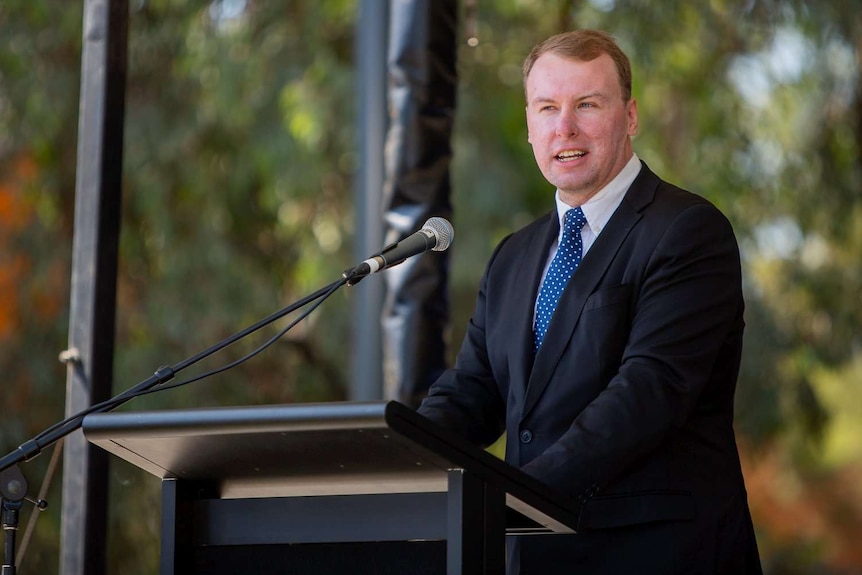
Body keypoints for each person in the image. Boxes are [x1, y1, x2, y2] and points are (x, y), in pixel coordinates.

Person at [417, 29, 762, 574]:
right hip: (533, 555)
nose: (565, 127)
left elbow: (648, 393)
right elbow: (473, 391)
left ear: (630, 116)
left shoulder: (688, 231)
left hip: (659, 556)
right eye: (547, 107)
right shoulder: (513, 256)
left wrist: (513, 495)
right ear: (530, 126)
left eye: (587, 105)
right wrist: (402, 461)